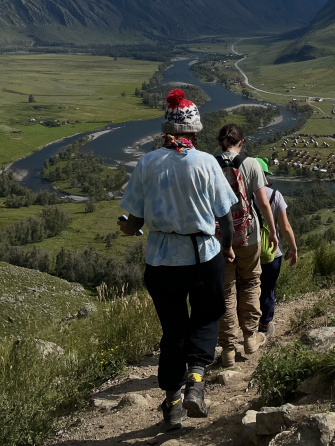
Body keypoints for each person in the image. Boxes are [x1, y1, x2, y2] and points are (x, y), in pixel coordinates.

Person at [118, 88, 237, 431]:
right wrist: (226, 247)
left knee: (173, 330)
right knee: (205, 318)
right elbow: (225, 217)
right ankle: (196, 383)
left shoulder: (147, 162)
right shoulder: (206, 163)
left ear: (165, 130)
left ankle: (172, 403)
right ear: (195, 131)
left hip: (162, 260)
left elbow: (135, 221)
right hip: (203, 256)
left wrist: (127, 229)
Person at [215, 124, 279, 368]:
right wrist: (272, 232)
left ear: (220, 142)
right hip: (249, 235)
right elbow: (262, 202)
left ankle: (228, 350)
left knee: (226, 289)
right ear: (241, 142)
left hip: (219, 238)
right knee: (251, 282)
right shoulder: (251, 163)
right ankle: (250, 339)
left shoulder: (210, 163)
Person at [255, 158, 298, 337]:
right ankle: (265, 324)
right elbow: (286, 227)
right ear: (264, 175)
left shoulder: (238, 194)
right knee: (267, 289)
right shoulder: (274, 195)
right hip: (272, 250)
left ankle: (244, 325)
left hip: (244, 251)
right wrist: (294, 249)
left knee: (243, 288)